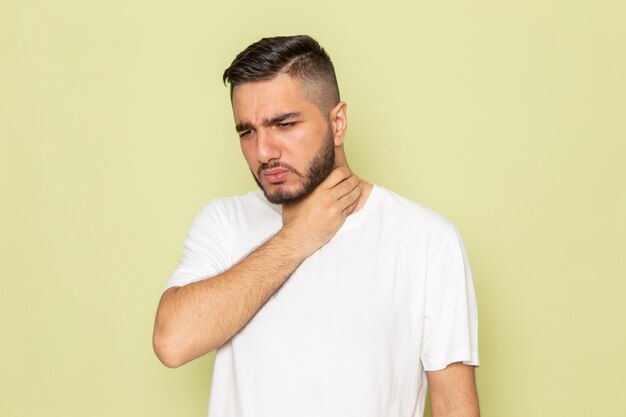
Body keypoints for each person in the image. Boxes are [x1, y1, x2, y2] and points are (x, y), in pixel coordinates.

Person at [153, 35, 480, 417]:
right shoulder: (224, 223)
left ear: (337, 122)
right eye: (247, 131)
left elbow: (453, 406)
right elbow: (172, 342)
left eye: (284, 124)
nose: (263, 151)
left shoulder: (427, 240)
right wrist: (298, 237)